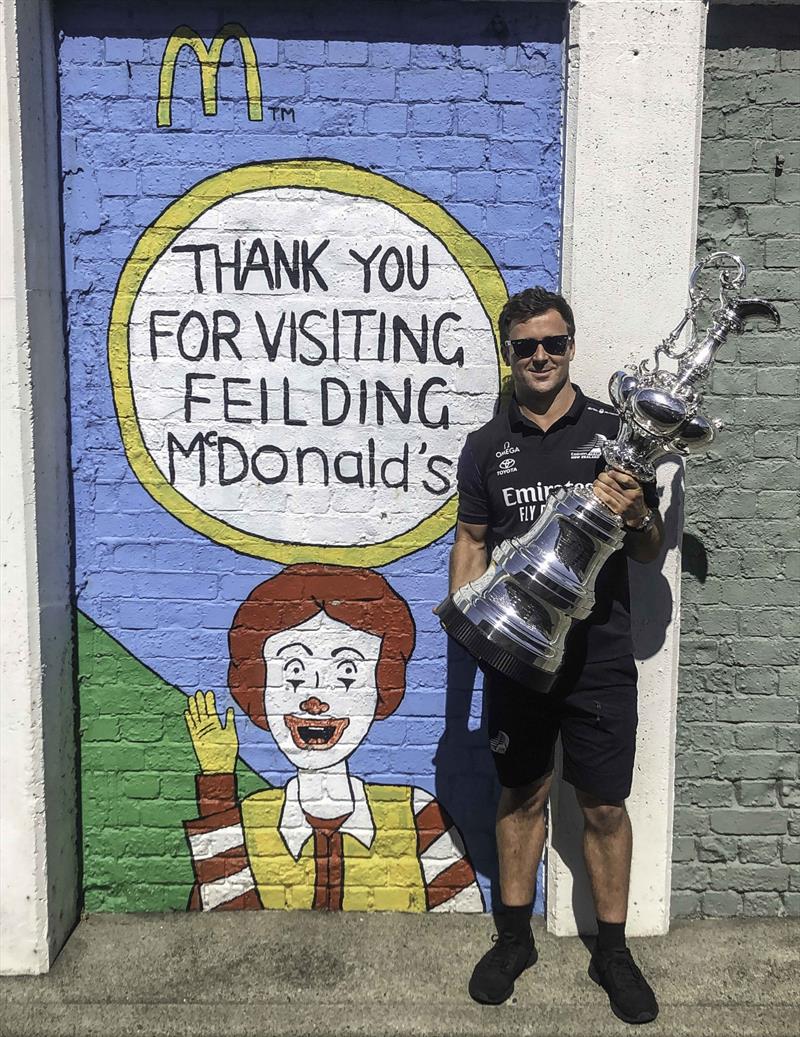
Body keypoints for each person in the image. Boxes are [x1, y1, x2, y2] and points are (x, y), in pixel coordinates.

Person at [450, 287, 664, 1024]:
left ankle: (613, 950)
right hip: (519, 658)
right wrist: (470, 629)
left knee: (604, 805)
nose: (540, 356)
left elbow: (647, 546)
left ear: (572, 345)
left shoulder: (616, 432)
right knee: (522, 795)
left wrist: (635, 509)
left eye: (553, 342)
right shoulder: (486, 446)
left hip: (599, 655)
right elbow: (472, 543)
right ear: (507, 354)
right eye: (524, 347)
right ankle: (514, 940)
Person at [183, 563, 484, 913]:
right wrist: (217, 788)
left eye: (346, 674)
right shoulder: (247, 820)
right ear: (259, 684)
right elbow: (225, 932)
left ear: (381, 688)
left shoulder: (417, 818)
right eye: (293, 672)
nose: (315, 700)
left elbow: (459, 927)